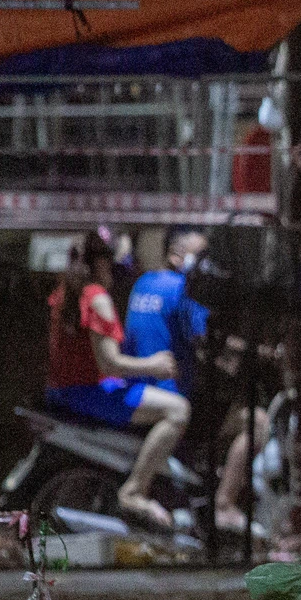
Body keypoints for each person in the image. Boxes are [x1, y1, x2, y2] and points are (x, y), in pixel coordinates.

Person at [123, 227, 272, 535]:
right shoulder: (182, 288)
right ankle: (225, 505)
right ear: (176, 255)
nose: (205, 265)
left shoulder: (144, 283)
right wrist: (263, 351)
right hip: (172, 395)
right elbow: (208, 338)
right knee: (257, 422)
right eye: (200, 256)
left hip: (140, 390)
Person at [43, 231, 187, 529]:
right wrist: (154, 364)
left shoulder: (68, 291)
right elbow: (110, 364)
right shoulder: (97, 298)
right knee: (178, 410)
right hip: (88, 392)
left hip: (64, 391)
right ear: (101, 263)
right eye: (113, 263)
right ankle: (134, 490)